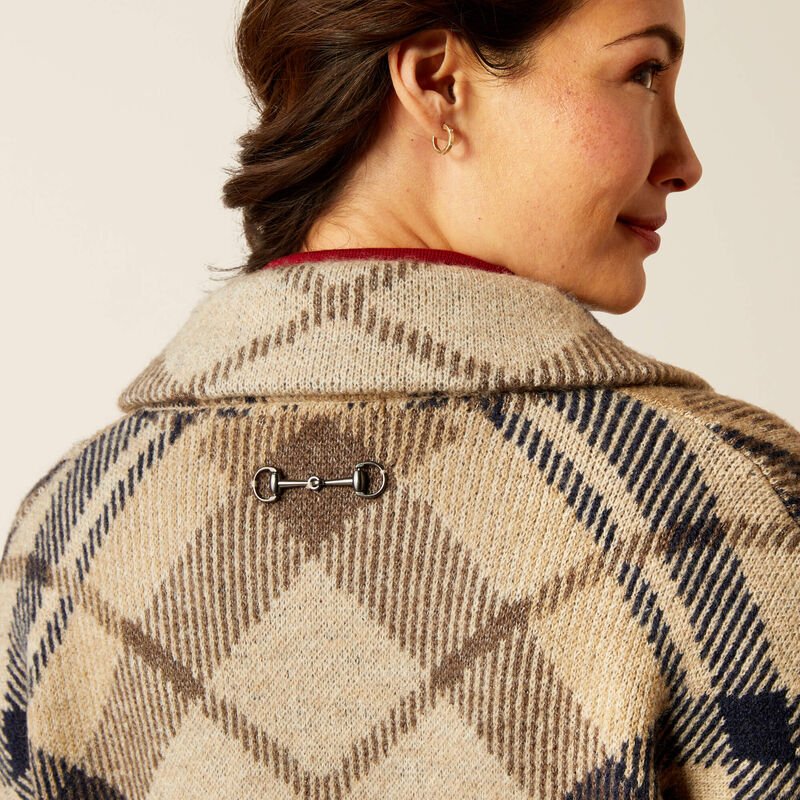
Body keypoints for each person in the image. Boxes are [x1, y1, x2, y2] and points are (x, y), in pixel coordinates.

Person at [1, 0, 798, 797]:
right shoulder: (729, 502)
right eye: (644, 72)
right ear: (437, 82)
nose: (685, 161)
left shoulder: (66, 531)